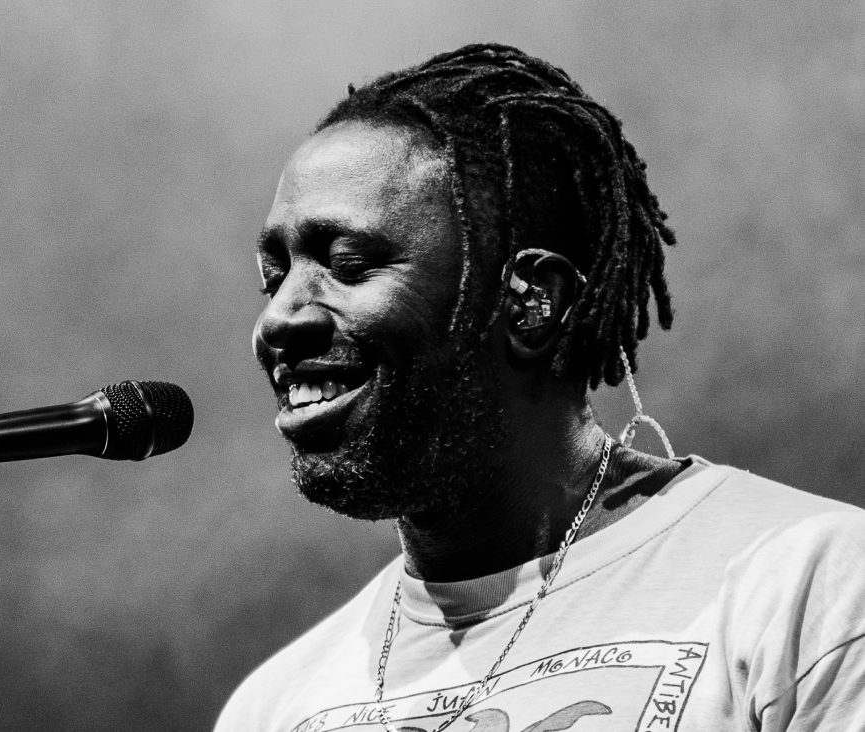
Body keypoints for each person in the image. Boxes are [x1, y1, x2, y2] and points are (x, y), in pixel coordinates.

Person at [215, 43, 865, 731]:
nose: (277, 318)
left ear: (531, 303)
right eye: (272, 278)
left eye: (347, 264)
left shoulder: (809, 585)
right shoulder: (275, 705)